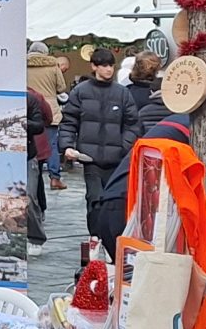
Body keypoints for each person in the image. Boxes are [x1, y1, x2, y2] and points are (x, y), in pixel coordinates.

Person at [56, 49, 157, 253]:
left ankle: (111, 245)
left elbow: (133, 124)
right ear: (94, 66)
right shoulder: (81, 92)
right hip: (90, 158)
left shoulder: (122, 93)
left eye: (110, 65)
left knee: (113, 203)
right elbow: (69, 121)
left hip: (116, 159)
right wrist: (67, 146)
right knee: (94, 199)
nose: (108, 69)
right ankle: (95, 239)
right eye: (103, 65)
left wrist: (123, 146)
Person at [27, 41, 69, 193]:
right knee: (51, 145)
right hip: (49, 107)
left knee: (31, 143)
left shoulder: (23, 66)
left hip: (29, 106)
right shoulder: (53, 66)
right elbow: (61, 87)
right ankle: (54, 178)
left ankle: (33, 175)